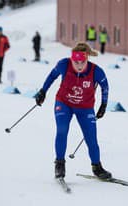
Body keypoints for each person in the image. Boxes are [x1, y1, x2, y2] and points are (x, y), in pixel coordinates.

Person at [35, 42, 112, 179]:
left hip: (85, 107)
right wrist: (43, 91)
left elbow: (105, 87)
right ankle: (59, 164)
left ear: (87, 59)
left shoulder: (96, 71)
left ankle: (97, 167)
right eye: (76, 62)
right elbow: (52, 76)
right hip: (64, 103)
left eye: (82, 62)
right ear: (71, 59)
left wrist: (103, 105)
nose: (79, 65)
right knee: (62, 130)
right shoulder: (64, 64)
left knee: (91, 138)